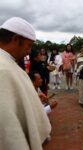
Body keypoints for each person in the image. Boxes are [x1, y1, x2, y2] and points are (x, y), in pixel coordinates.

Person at [0, 17, 51, 150]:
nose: (29, 51)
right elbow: (8, 128)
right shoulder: (3, 70)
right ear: (16, 39)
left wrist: (30, 98)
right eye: (29, 45)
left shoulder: (8, 63)